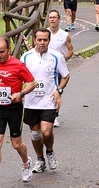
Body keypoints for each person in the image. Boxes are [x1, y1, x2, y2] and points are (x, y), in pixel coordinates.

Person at [0, 35, 37, 188]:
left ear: (9, 50)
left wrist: (21, 93)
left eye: (2, 52)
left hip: (14, 109)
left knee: (16, 144)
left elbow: (33, 82)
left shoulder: (18, 65)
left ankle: (26, 162)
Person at [20, 28, 70, 174]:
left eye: (45, 40)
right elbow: (19, 76)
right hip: (31, 101)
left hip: (48, 101)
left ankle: (49, 152)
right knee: (35, 134)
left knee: (46, 132)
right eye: (39, 40)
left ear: (49, 40)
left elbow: (65, 75)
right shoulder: (26, 57)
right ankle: (40, 159)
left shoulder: (56, 56)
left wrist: (59, 90)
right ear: (34, 40)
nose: (42, 42)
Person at [46, 9, 74, 127]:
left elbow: (71, 50)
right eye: (50, 17)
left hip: (57, 68)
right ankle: (45, 114)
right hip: (45, 66)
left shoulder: (64, 35)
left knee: (57, 91)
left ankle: (55, 116)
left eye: (54, 17)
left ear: (59, 19)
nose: (52, 19)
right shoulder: (44, 33)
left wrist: (63, 60)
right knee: (45, 91)